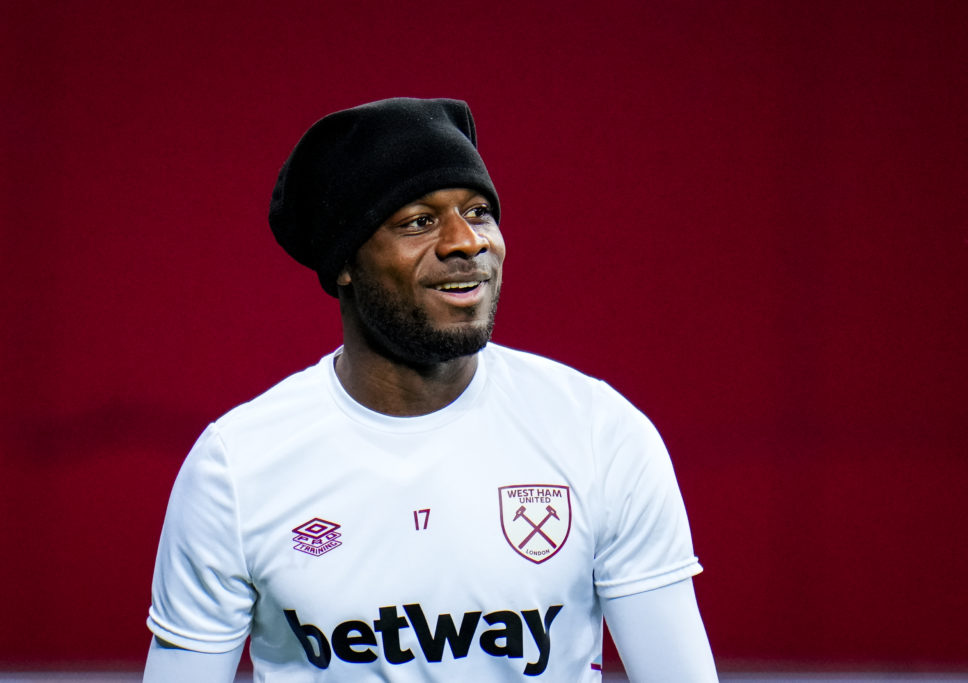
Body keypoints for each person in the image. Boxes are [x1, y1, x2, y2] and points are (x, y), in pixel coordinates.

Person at [144, 97, 718, 682]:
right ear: (345, 261)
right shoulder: (235, 470)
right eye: (419, 220)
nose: (466, 241)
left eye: (479, 212)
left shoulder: (599, 434)